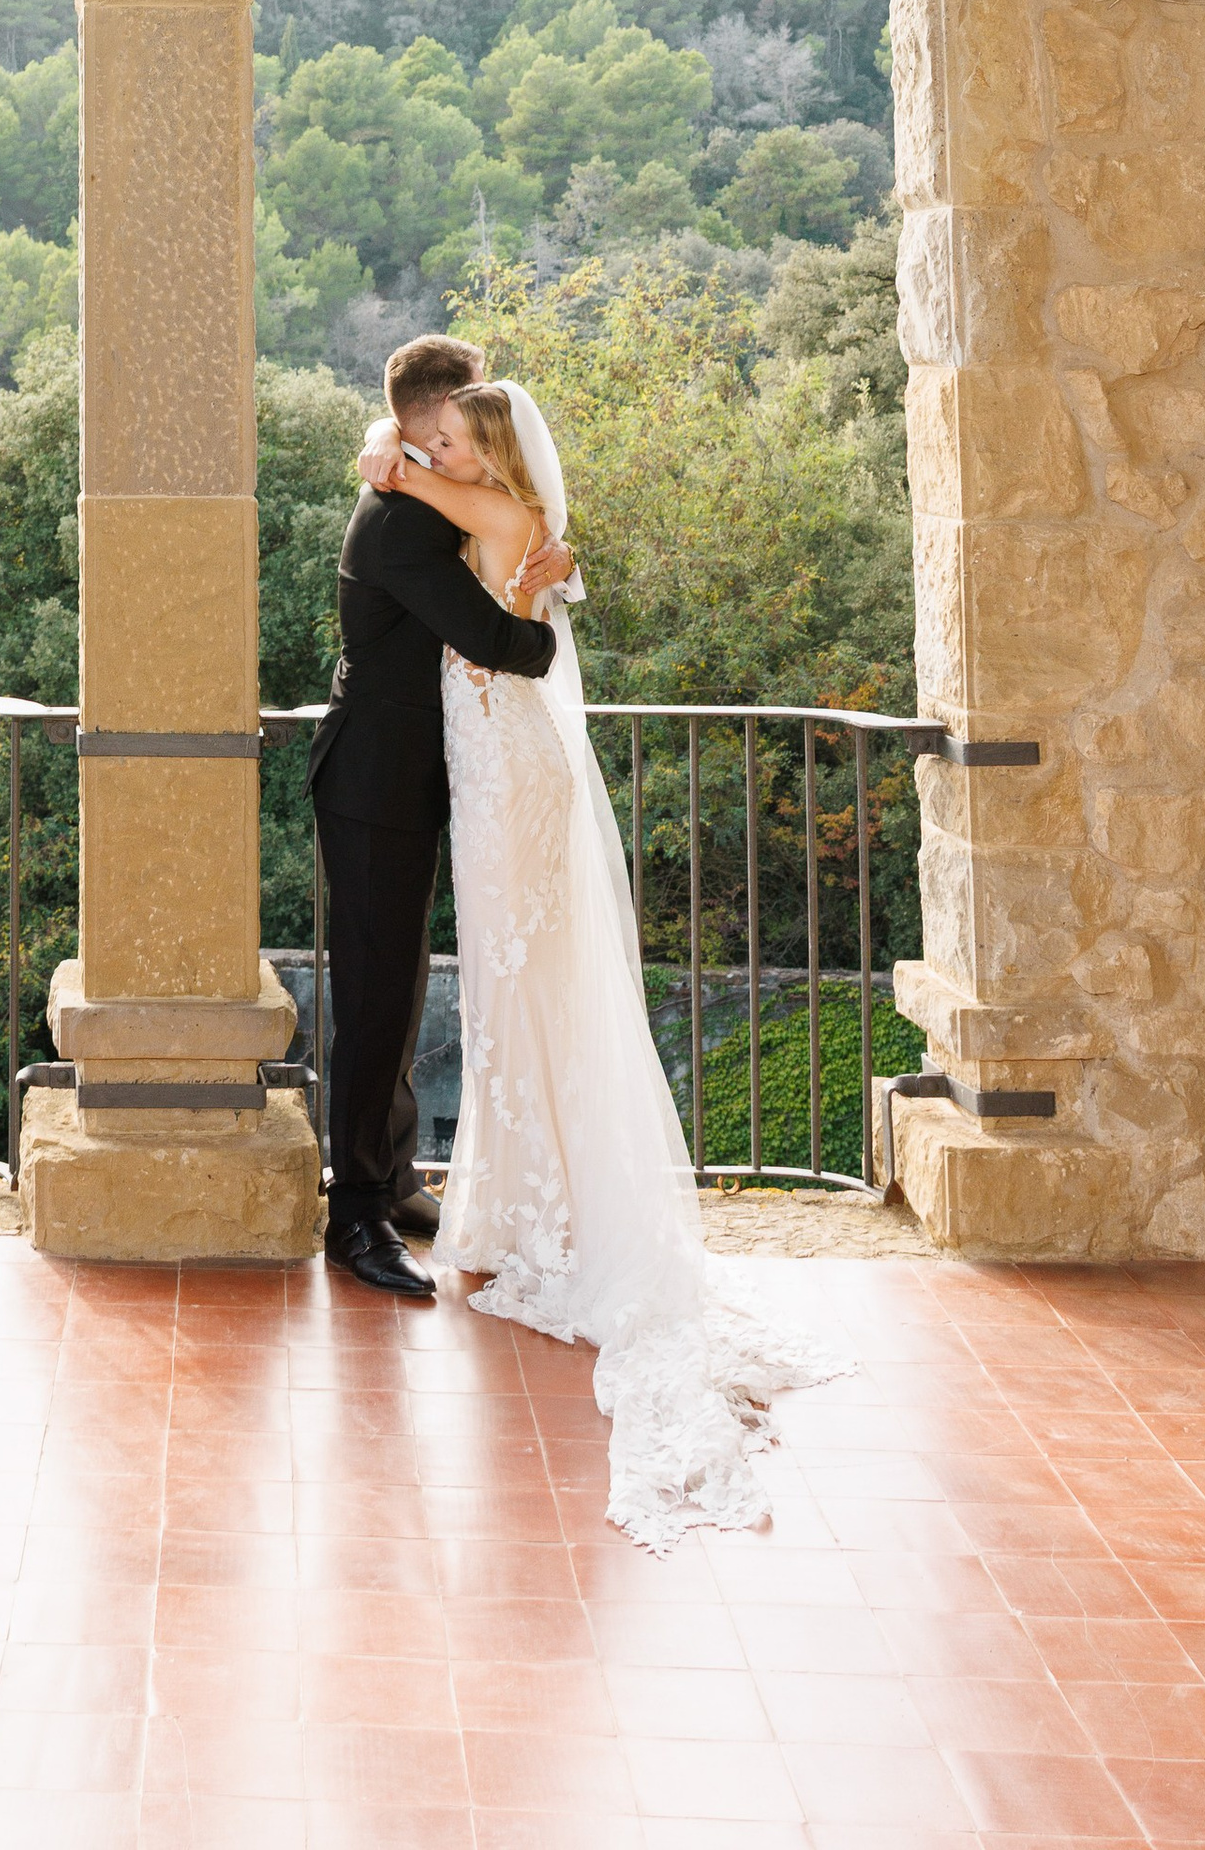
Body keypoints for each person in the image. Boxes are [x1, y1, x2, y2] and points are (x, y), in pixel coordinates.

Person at [361, 376, 844, 1549]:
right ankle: (526, 1201)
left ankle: (532, 1215)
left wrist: (389, 444)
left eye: (455, 441)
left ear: (490, 451)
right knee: (514, 985)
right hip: (492, 762)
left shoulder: (494, 510)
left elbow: (392, 471)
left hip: (505, 768)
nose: (437, 453)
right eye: (437, 441)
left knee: (518, 981)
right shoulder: (509, 514)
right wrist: (399, 443)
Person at [306, 332, 563, 1304]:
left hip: (415, 777)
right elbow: (501, 642)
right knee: (374, 995)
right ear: (436, 418)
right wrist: (539, 607)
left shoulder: (422, 489)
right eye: (468, 411)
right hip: (373, 783)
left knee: (402, 982)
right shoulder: (402, 521)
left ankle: (394, 1176)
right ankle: (354, 1215)